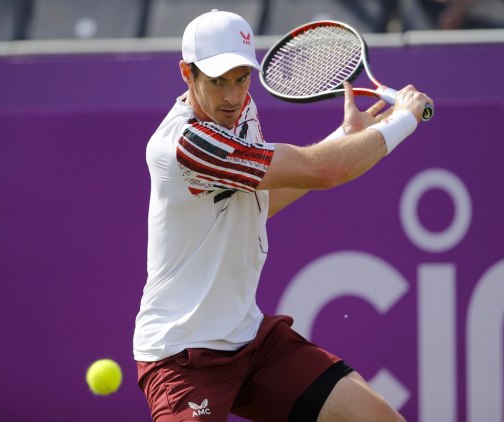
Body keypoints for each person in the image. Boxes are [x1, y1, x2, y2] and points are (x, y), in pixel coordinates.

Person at [133, 9, 432, 422]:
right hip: (184, 358)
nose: (231, 97)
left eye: (241, 78)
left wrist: (346, 135)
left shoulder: (242, 113)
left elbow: (260, 204)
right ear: (187, 73)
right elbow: (325, 171)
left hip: (251, 341)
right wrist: (404, 120)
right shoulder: (188, 144)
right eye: (217, 81)